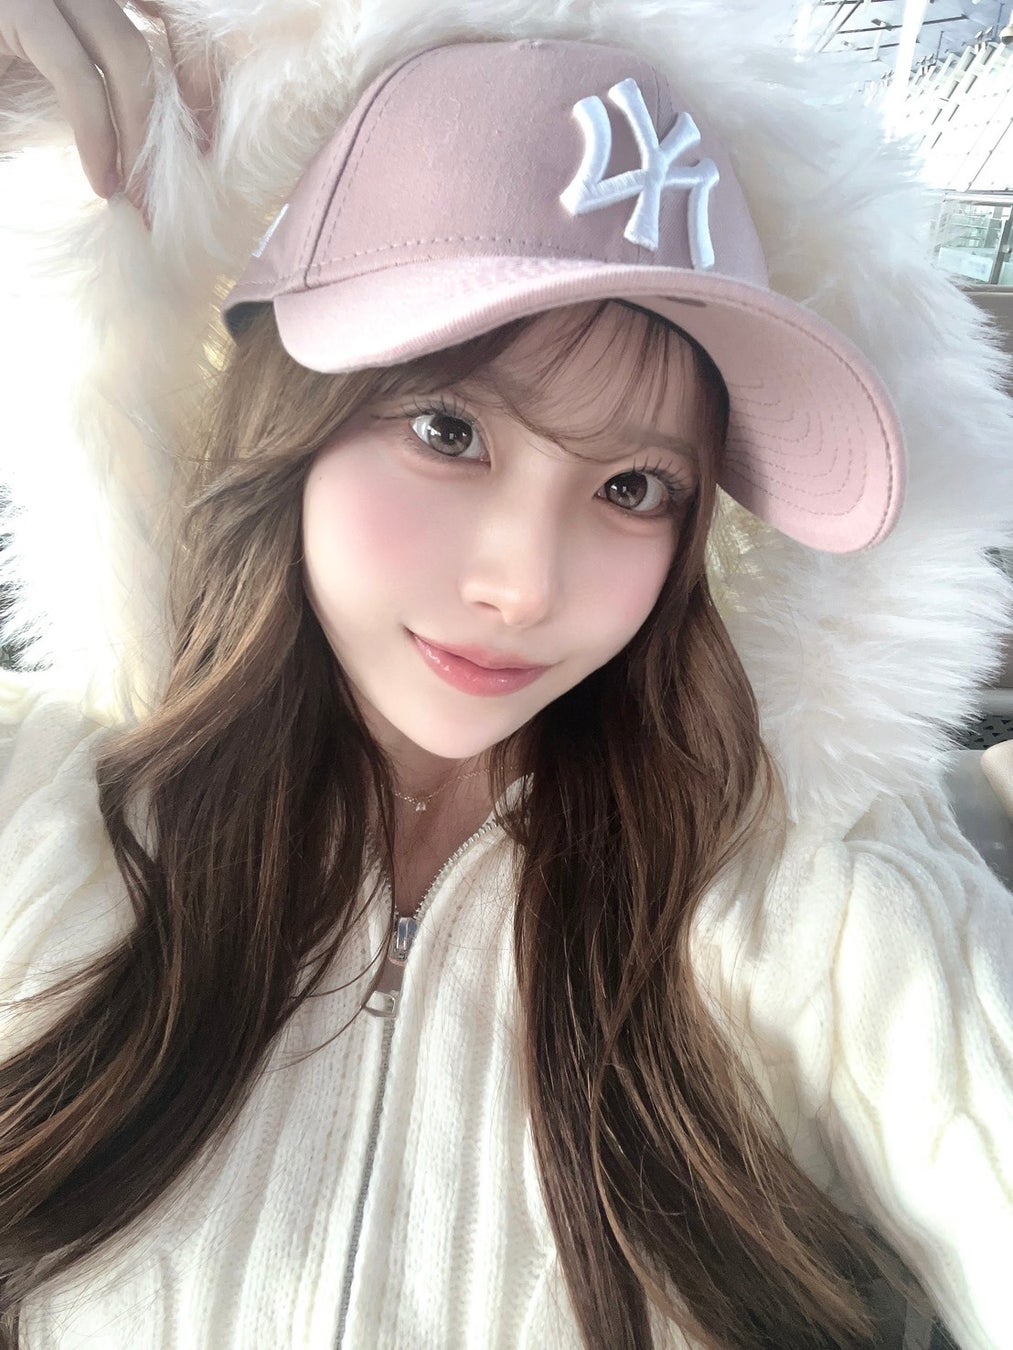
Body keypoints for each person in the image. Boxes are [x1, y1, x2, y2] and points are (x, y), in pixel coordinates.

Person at [0, 3, 1010, 1349]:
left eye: (634, 486)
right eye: (447, 428)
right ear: (284, 413)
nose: (524, 586)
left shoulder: (807, 885)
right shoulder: (40, 799)